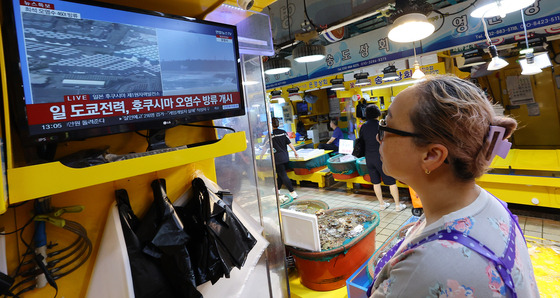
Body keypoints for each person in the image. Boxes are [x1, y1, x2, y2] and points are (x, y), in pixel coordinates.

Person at [369, 75, 538, 297]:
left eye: (386, 125)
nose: (378, 137)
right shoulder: (483, 202)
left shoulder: (426, 269)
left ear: (431, 155)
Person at [359, 104, 405, 212]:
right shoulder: (381, 125)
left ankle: (381, 204)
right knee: (391, 181)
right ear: (378, 114)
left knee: (375, 182)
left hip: (369, 158)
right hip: (381, 157)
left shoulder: (363, 127)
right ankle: (398, 205)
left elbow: (362, 141)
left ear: (366, 115)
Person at [262, 117, 299, 199]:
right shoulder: (283, 132)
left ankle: (292, 192)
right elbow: (289, 143)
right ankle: (277, 189)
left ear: (271, 125)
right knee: (280, 174)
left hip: (277, 158)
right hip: (285, 157)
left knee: (283, 174)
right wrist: (295, 152)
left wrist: (261, 157)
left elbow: (264, 147)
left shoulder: (270, 135)